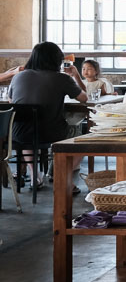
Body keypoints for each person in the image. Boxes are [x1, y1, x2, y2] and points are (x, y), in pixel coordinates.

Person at [9, 42, 87, 187]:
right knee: (83, 136)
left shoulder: (18, 77)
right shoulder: (62, 78)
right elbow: (84, 98)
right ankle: (61, 175)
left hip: (19, 134)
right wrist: (75, 76)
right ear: (57, 59)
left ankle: (35, 176)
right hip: (52, 133)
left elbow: (11, 102)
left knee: (28, 131)